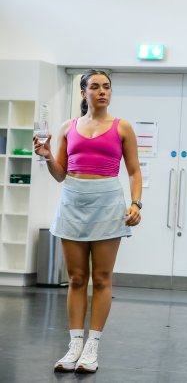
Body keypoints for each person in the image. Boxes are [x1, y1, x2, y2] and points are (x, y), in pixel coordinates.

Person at [34, 69, 142, 373]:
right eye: (95, 87)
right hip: (72, 199)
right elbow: (60, 174)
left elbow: (134, 171)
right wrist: (45, 156)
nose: (102, 91)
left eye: (106, 86)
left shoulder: (123, 128)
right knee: (77, 278)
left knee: (103, 278)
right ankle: (74, 345)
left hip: (107, 200)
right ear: (83, 93)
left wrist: (136, 202)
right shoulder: (68, 127)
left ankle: (92, 347)